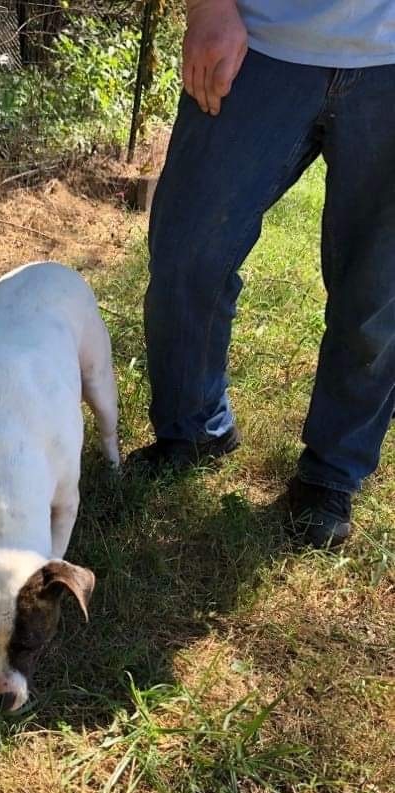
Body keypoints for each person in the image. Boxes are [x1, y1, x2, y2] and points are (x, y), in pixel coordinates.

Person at [126, 0, 395, 548]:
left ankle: (331, 474)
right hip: (257, 39)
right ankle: (193, 432)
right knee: (187, 254)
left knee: (378, 295)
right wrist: (208, 5)